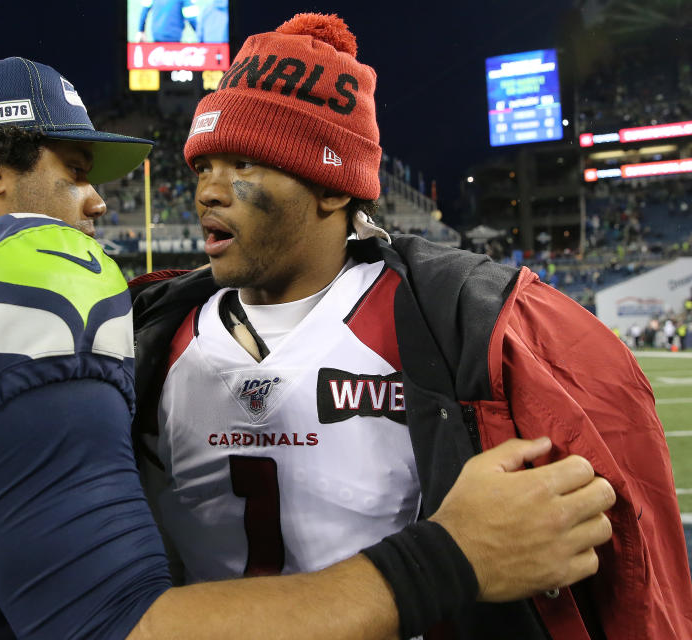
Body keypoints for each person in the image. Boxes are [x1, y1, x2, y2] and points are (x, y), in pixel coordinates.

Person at [0, 56, 614, 640]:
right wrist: (453, 557)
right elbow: (113, 627)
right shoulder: (24, 265)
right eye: (75, 168)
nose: (98, 203)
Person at [129, 14, 692, 640]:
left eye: (241, 163)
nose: (207, 191)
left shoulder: (466, 323)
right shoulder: (147, 338)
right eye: (201, 166)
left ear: (331, 186)